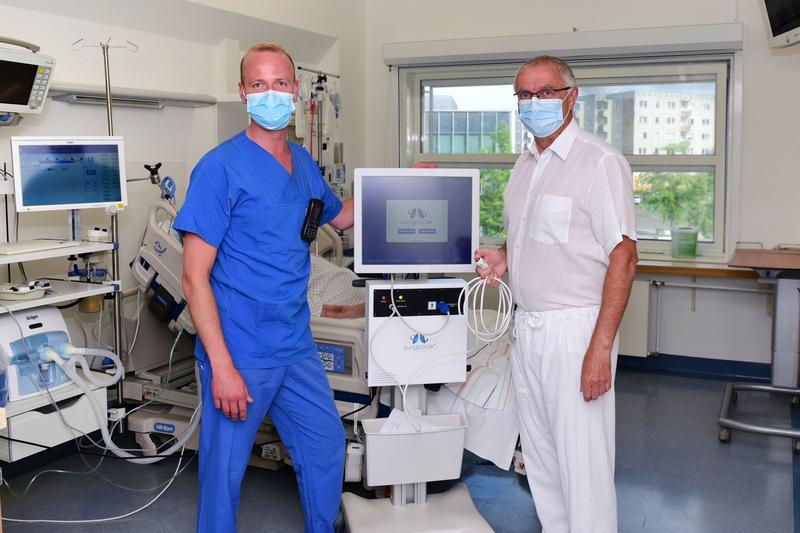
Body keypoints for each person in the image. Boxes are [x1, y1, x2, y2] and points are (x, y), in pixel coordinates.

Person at [174, 42, 354, 533]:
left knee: (324, 443)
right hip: (239, 348)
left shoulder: (303, 163)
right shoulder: (220, 168)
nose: (270, 94)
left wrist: (406, 185)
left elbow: (345, 216)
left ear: (295, 91)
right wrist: (224, 368)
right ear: (242, 93)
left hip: (293, 343)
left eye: (279, 84)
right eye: (258, 85)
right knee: (224, 472)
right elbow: (194, 278)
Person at [475, 56, 637, 533]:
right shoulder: (526, 165)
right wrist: (505, 257)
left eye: (545, 92)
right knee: (542, 460)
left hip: (576, 329)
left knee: (582, 463)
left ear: (572, 95)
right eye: (524, 95)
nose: (534, 103)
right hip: (528, 327)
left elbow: (623, 256)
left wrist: (599, 350)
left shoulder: (599, 162)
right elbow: (535, 235)